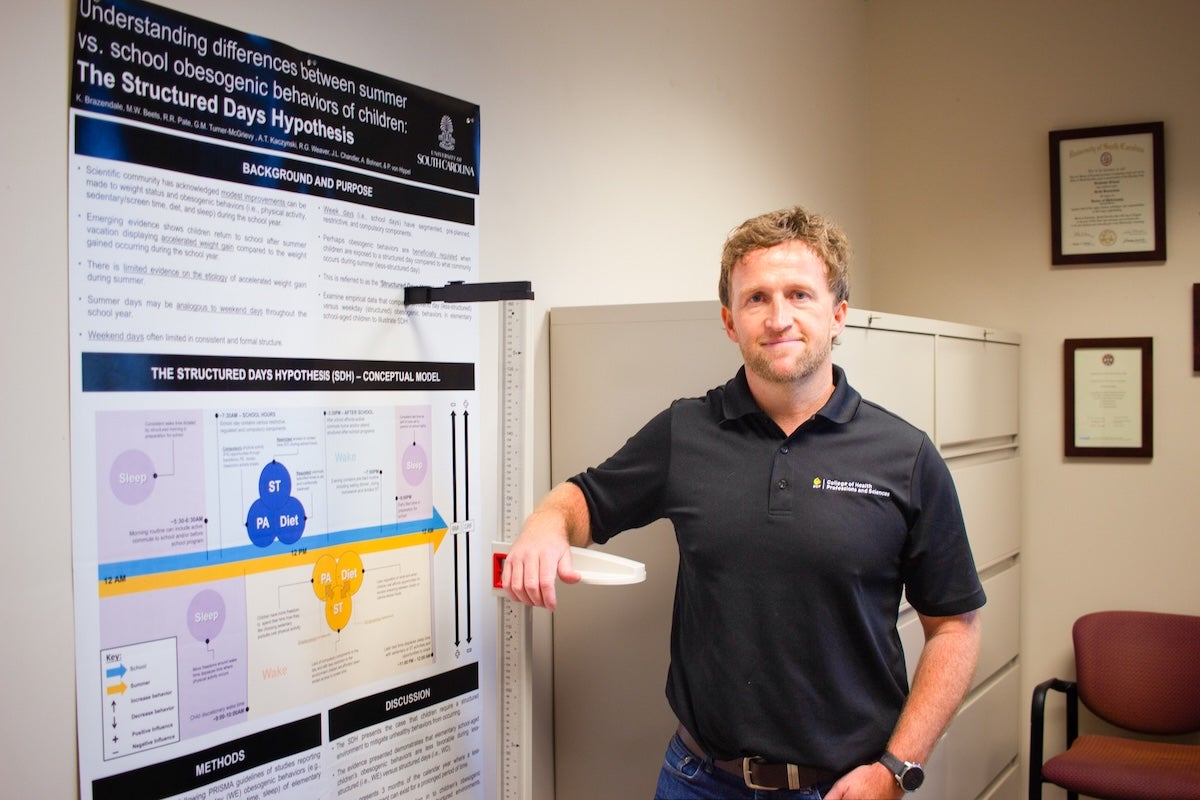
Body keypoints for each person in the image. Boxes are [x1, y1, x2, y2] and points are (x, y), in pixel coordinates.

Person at [502, 206, 985, 799]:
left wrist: (897, 768)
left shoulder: (904, 455)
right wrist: (545, 524)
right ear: (730, 322)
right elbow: (582, 500)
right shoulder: (687, 432)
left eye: (799, 295)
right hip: (700, 780)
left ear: (837, 316)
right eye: (756, 299)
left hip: (844, 788)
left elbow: (954, 628)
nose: (778, 318)